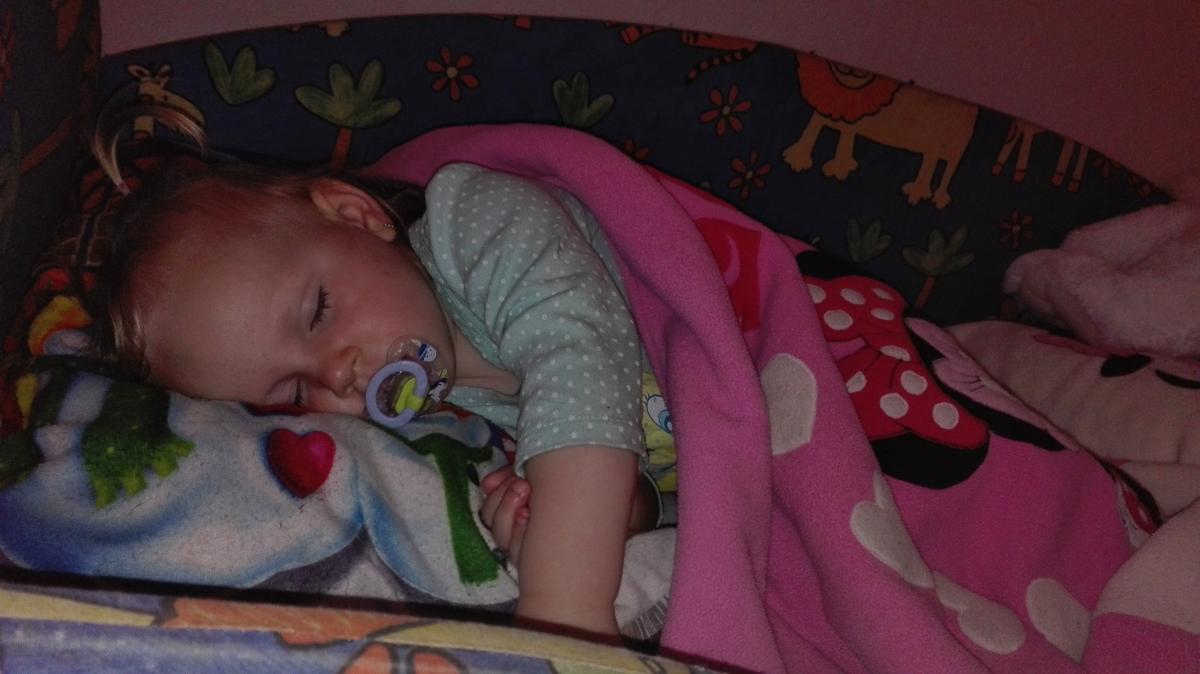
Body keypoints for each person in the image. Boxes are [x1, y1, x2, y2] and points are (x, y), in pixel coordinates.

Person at [91, 112, 663, 641]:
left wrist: (563, 602)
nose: (337, 374)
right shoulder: (451, 416)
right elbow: (655, 463)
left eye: (318, 311)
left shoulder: (479, 216)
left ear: (357, 216)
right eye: (296, 392)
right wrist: (612, 509)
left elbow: (581, 362)